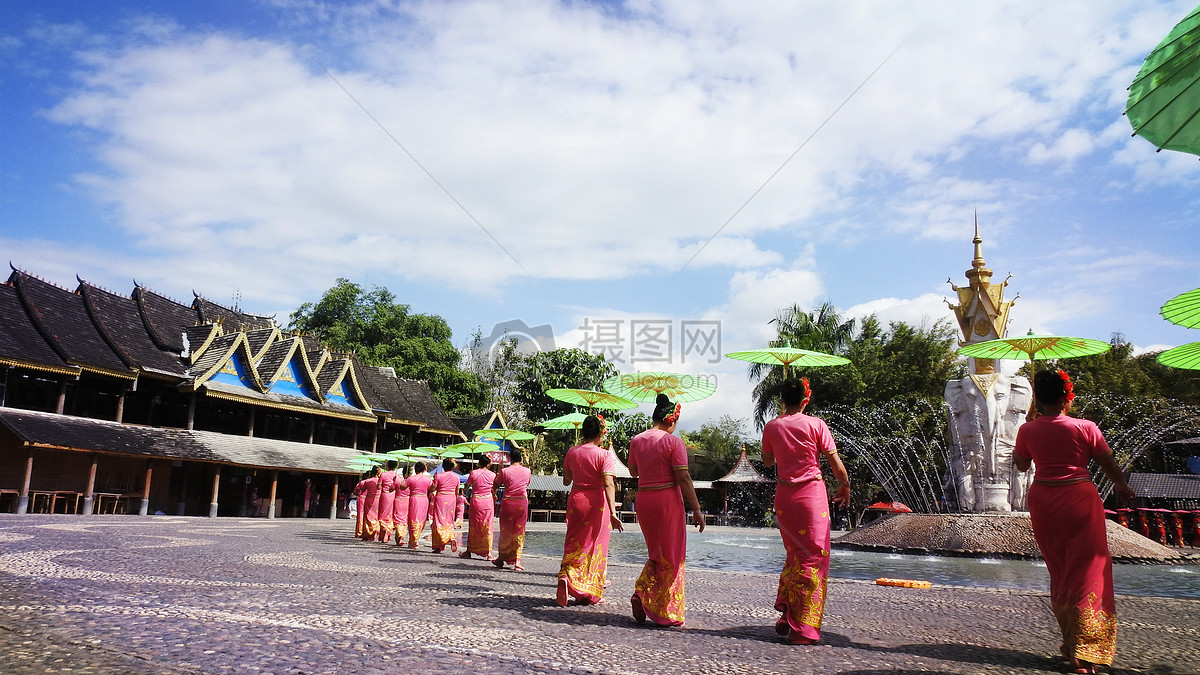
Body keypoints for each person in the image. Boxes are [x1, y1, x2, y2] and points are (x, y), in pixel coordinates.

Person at [1015, 369, 1135, 675]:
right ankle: (1085, 650)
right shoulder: (1086, 427)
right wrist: (1121, 486)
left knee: (1062, 568)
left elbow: (1021, 465)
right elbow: (1107, 461)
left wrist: (1031, 428)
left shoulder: (1027, 430)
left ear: (1037, 399)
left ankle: (1072, 642)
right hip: (1079, 499)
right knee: (1089, 568)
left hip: (1044, 500)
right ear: (1067, 397)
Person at [761, 377, 851, 645]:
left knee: (795, 555)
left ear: (782, 400)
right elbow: (835, 463)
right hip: (811, 496)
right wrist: (845, 485)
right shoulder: (816, 424)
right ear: (805, 399)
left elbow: (768, 461)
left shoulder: (772, 426)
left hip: (785, 498)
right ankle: (803, 628)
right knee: (814, 558)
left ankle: (788, 612)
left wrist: (779, 428)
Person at [628, 394, 705, 627]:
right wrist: (697, 508)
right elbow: (683, 476)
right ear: (672, 419)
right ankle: (661, 608)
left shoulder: (636, 440)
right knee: (671, 556)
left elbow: (633, 472)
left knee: (656, 552)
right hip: (666, 500)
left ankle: (644, 593)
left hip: (644, 499)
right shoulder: (674, 442)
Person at [557, 414, 624, 606]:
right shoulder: (604, 455)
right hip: (596, 503)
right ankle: (590, 592)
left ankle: (566, 575)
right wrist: (612, 512)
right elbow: (609, 484)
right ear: (601, 433)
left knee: (574, 541)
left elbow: (566, 480)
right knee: (595, 545)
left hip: (576, 499)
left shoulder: (572, 452)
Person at [494, 448, 532, 571]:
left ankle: (501, 557)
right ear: (521, 458)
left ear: (510, 458)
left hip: (508, 503)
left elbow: (496, 484)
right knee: (519, 531)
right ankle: (517, 560)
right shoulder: (527, 471)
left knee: (506, 531)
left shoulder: (505, 471)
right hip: (521, 502)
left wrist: (499, 470)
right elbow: (526, 484)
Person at [461, 456, 497, 560]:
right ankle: (489, 552)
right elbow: (494, 488)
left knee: (474, 525)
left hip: (476, 500)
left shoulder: (474, 473)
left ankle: (469, 551)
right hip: (487, 501)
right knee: (487, 525)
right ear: (488, 464)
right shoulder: (493, 475)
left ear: (479, 463)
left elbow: (466, 486)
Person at [430, 458, 462, 554]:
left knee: (438, 521)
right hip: (451, 498)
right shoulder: (456, 477)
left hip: (441, 497)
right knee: (449, 520)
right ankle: (450, 536)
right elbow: (457, 491)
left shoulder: (438, 476)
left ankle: (439, 546)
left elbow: (433, 488)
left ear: (443, 466)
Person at [405, 462, 433, 548]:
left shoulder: (411, 479)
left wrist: (405, 478)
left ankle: (414, 539)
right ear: (423, 469)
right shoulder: (428, 479)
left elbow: (402, 487)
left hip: (414, 498)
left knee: (413, 518)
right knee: (422, 519)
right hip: (424, 499)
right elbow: (432, 489)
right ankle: (415, 539)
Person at [376, 461, 397, 543]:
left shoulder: (383, 474)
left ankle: (383, 532)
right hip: (393, 495)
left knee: (383, 514)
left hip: (385, 495)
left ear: (388, 466)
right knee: (390, 515)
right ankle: (388, 534)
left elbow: (378, 487)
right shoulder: (396, 475)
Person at [360, 467, 382, 541]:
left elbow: (362, 489)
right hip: (378, 499)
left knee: (368, 515)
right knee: (376, 515)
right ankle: (376, 531)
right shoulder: (380, 481)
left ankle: (368, 533)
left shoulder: (368, 481)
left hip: (369, 498)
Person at [392, 465, 410, 546]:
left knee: (398, 518)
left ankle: (399, 535)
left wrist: (394, 481)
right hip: (407, 501)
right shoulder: (411, 481)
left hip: (398, 500)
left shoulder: (398, 480)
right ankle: (401, 536)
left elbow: (390, 489)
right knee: (404, 519)